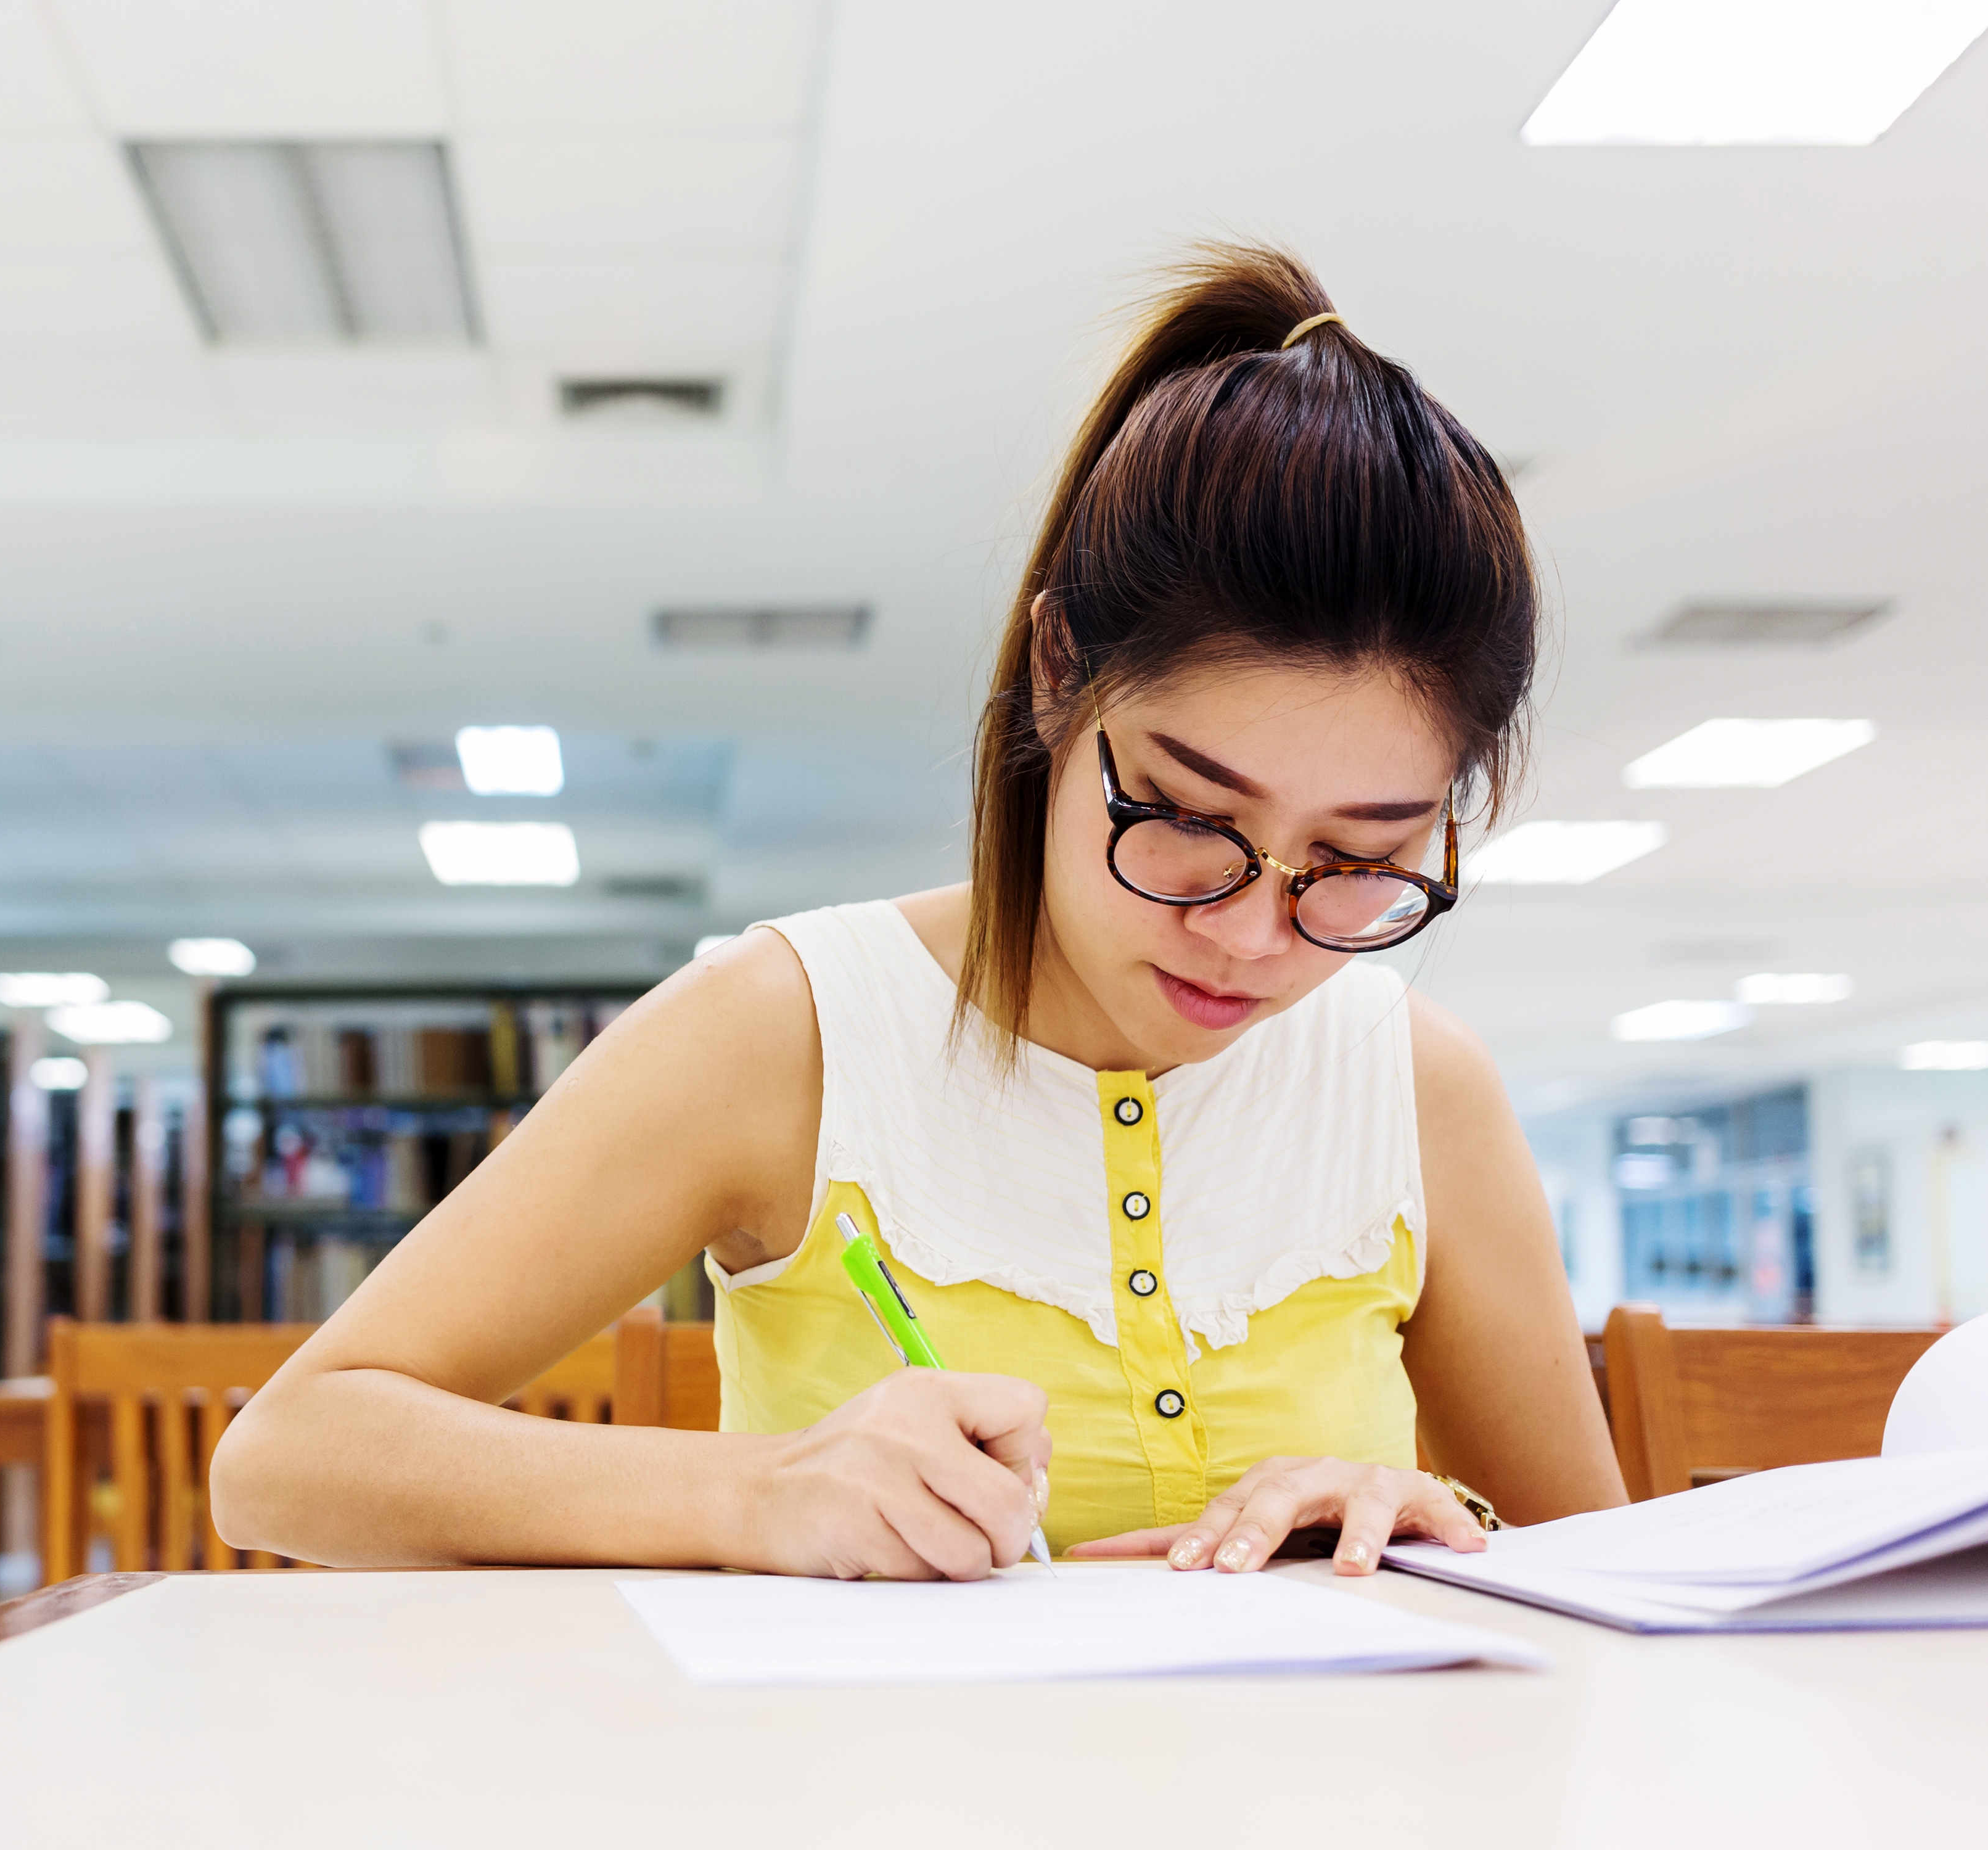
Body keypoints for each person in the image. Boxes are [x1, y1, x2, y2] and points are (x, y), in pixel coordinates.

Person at [213, 244, 1626, 1581]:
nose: (1256, 934)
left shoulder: (1418, 1085)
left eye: (1357, 863)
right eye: (1194, 825)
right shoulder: (790, 1033)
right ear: (1061, 671)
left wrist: (1433, 1517)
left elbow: (1608, 1577)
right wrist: (751, 1496)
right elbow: (287, 1458)